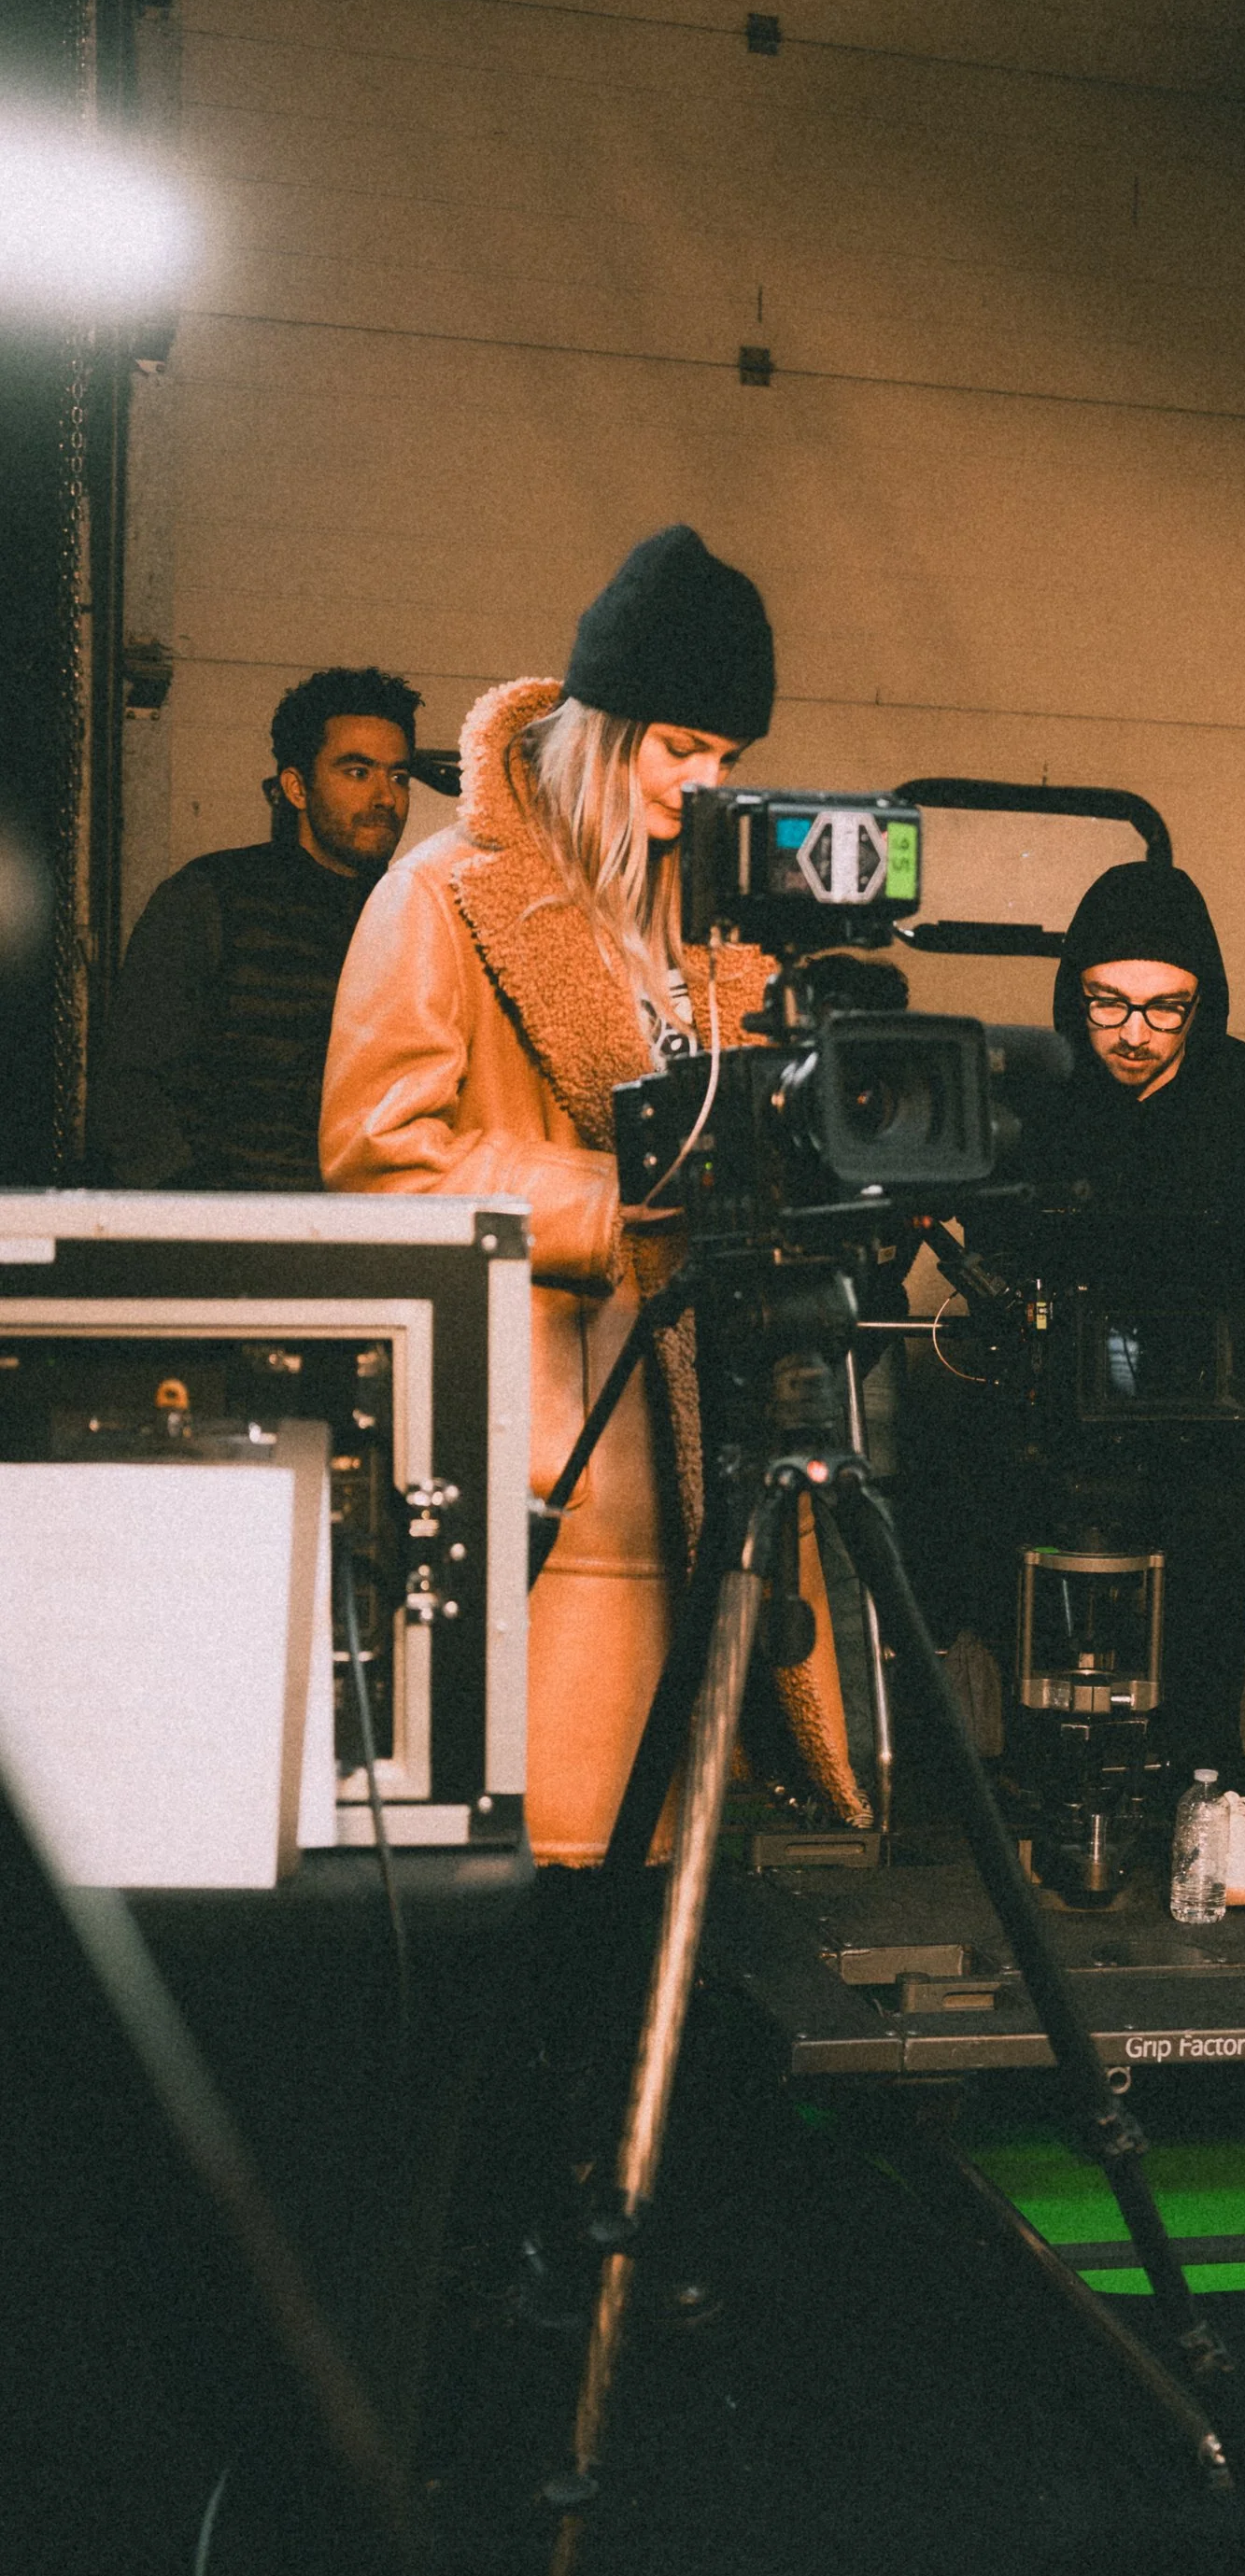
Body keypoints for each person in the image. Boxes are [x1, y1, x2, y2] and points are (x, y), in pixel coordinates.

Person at [319, 524, 789, 1867]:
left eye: (729, 761)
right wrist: (608, 1202)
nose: (706, 784)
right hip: (542, 1462)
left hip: (688, 1451)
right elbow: (376, 1155)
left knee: (662, 1871)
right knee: (550, 1866)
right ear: (606, 727)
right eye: (681, 748)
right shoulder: (446, 897)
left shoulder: (705, 928)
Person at [1007, 858, 1245, 1907]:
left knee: (1204, 1572)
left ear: (1202, 1002)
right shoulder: (1041, 1099)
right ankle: (1049, 1806)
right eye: (1108, 1003)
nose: (1134, 1031)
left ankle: (1214, 1796)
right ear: (1075, 994)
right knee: (1052, 1600)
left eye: (1165, 1008)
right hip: (1064, 1415)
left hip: (1216, 1424)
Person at [91, 667, 419, 1189]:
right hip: (229, 1237)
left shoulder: (416, 916)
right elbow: (132, 1087)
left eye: (398, 776)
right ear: (296, 787)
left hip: (370, 1233)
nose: (386, 797)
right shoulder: (211, 895)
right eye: (358, 772)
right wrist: (198, 1225)